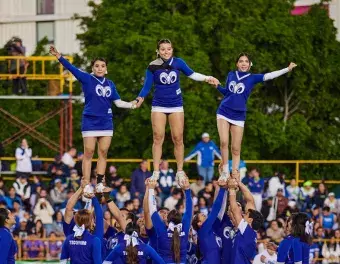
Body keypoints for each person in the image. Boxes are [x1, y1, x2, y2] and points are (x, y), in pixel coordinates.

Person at [50, 45, 137, 193]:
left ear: (106, 68)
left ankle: (100, 183)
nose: (100, 68)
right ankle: (85, 182)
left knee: (103, 153)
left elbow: (118, 102)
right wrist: (59, 56)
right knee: (89, 152)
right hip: (90, 121)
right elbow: (72, 68)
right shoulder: (87, 78)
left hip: (106, 122)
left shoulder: (111, 84)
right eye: (97, 66)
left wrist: (132, 105)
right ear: (93, 68)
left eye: (102, 66)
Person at [136, 39, 218, 185]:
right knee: (157, 137)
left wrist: (207, 78)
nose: (166, 52)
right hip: (159, 105)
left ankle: (180, 171)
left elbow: (192, 74)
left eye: (168, 49)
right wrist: (140, 97)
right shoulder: (152, 66)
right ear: (158, 51)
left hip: (176, 105)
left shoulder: (178, 62)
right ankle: (155, 172)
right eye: (162, 49)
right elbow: (147, 86)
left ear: (172, 50)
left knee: (178, 138)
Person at [210, 54, 296, 181]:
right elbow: (227, 93)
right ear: (237, 64)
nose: (243, 63)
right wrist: (217, 86)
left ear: (250, 65)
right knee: (223, 142)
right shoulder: (231, 75)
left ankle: (235, 173)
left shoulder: (252, 78)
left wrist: (287, 69)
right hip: (224, 111)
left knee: (236, 148)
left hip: (239, 115)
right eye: (241, 61)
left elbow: (270, 75)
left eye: (246, 61)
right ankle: (224, 171)